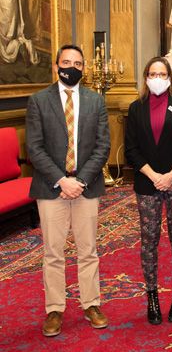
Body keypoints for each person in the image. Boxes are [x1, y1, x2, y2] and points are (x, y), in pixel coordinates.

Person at [26, 44, 110, 337]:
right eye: (66, 62)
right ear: (56, 66)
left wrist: (80, 180)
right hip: (52, 187)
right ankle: (54, 309)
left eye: (77, 63)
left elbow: (103, 146)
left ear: (83, 68)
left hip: (86, 186)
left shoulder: (95, 101)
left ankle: (91, 304)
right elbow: (34, 147)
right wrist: (62, 180)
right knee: (53, 252)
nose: (71, 67)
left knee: (88, 250)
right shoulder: (38, 100)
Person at [125, 57, 172, 325]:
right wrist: (154, 177)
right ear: (145, 77)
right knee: (149, 240)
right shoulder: (136, 107)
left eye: (162, 74)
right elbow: (131, 149)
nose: (157, 78)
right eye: (152, 74)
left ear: (170, 77)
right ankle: (151, 295)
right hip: (147, 183)